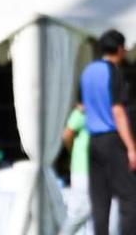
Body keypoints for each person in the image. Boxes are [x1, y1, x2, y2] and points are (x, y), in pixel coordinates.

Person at [79, 29, 136, 235]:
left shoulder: (87, 72)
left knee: (100, 200)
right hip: (113, 139)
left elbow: (83, 106)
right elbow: (118, 110)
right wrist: (131, 148)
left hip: (93, 141)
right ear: (120, 49)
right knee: (130, 197)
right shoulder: (113, 71)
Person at [57, 104, 92, 235]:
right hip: (82, 169)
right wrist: (74, 152)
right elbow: (67, 135)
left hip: (99, 169)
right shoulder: (82, 111)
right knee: (80, 211)